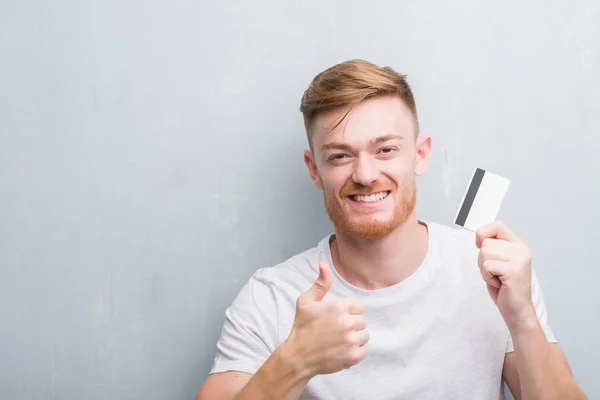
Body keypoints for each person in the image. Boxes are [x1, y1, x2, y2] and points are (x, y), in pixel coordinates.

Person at [196, 59, 586, 400]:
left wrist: (523, 322)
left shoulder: (492, 274)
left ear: (419, 155)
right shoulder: (272, 298)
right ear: (314, 169)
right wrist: (294, 362)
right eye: (340, 156)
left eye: (385, 150)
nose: (365, 175)